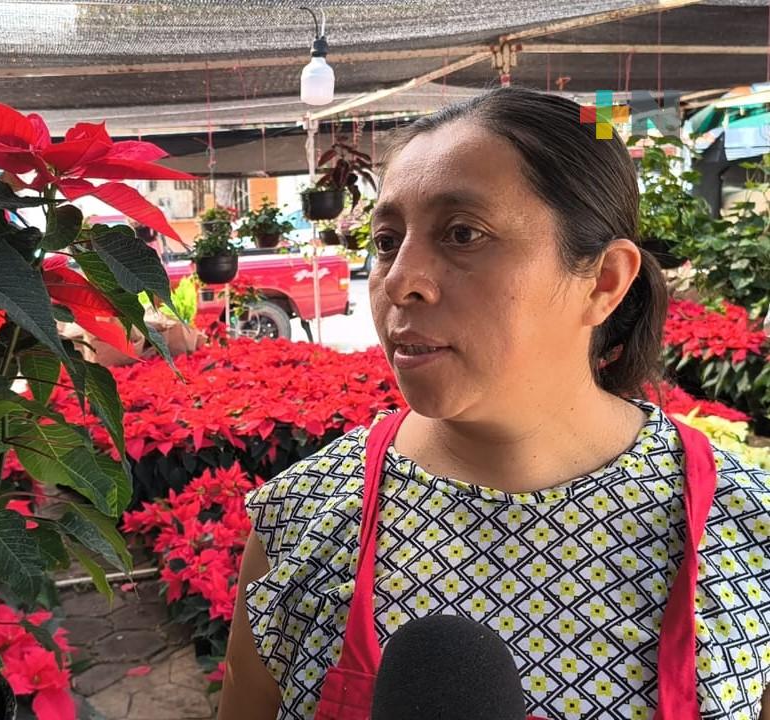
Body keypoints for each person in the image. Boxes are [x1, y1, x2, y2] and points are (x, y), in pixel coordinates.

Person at [216, 87, 770, 720]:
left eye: (463, 234)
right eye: (387, 240)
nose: (398, 280)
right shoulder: (302, 516)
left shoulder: (746, 530)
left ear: (604, 281)